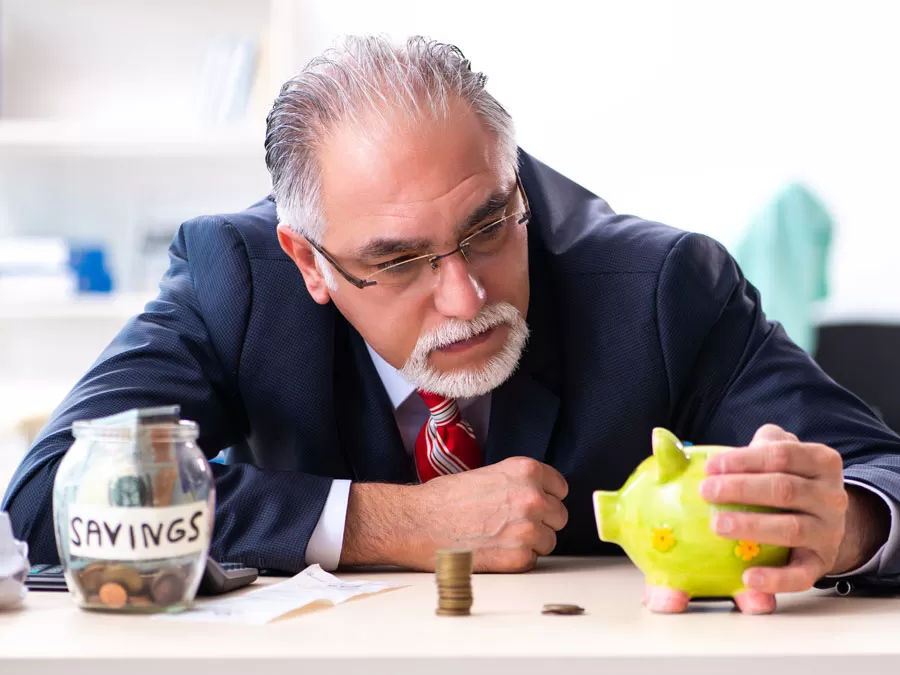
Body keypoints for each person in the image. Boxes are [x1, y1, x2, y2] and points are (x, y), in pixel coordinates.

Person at [4, 36, 899, 612]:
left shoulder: (661, 287)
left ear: (515, 185)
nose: (468, 298)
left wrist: (846, 521)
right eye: (397, 260)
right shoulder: (237, 278)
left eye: (487, 227)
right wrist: (387, 523)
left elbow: (884, 474)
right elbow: (52, 495)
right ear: (310, 261)